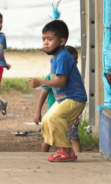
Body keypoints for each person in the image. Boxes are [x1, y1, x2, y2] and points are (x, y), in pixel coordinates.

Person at [28, 20, 87, 163]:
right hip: (64, 99)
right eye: (43, 39)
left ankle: (66, 151)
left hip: (74, 98)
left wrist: (40, 82)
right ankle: (64, 150)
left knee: (54, 118)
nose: (45, 43)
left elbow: (61, 81)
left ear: (61, 41)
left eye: (49, 39)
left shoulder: (63, 57)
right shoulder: (55, 58)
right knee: (48, 119)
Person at [33, 45, 82, 156]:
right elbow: (43, 94)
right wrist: (38, 112)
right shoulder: (51, 77)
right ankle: (42, 156)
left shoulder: (74, 79)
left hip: (68, 117)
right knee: (49, 140)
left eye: (74, 62)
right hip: (55, 115)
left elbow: (75, 101)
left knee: (74, 138)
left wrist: (76, 116)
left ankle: (75, 155)